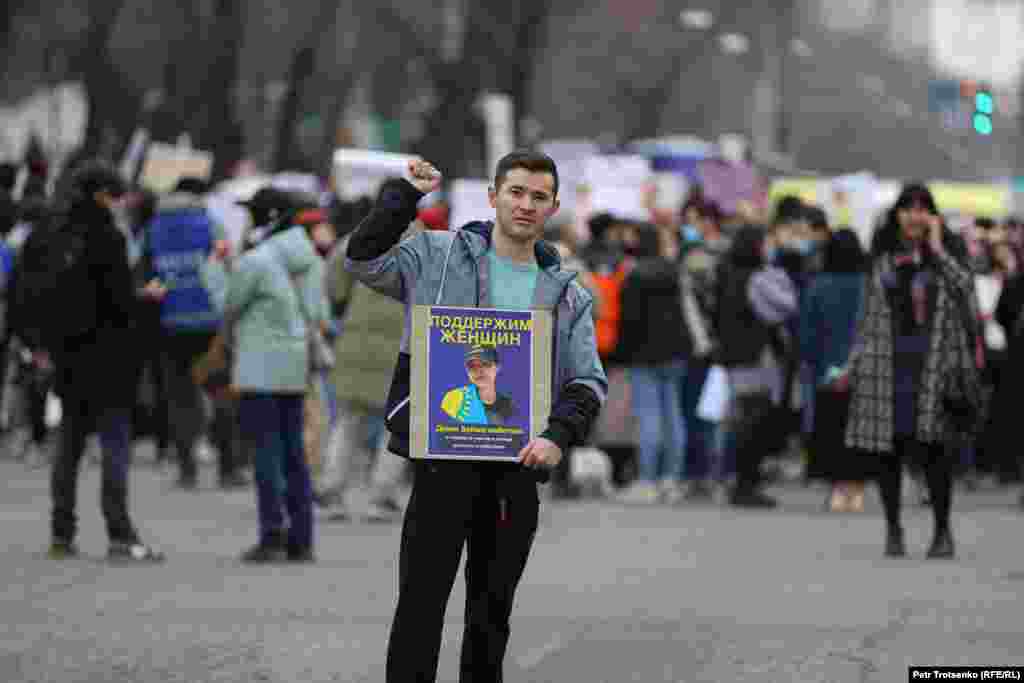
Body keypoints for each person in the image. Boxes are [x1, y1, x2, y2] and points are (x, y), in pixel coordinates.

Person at [345, 151, 606, 682]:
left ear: (553, 207)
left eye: (538, 197)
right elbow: (363, 260)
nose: (526, 205)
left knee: (491, 615)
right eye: (515, 192)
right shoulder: (437, 256)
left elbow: (587, 380)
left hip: (516, 469)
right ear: (493, 196)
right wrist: (403, 196)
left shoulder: (569, 294)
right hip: (444, 462)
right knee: (420, 605)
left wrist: (558, 436)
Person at [19, 160, 164, 562]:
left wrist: (40, 342)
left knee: (69, 445)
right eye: (115, 196)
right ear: (101, 195)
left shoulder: (47, 234)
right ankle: (120, 532)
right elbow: (117, 300)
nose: (119, 203)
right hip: (109, 356)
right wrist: (143, 297)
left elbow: (27, 292)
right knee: (115, 443)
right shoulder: (106, 237)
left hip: (67, 357)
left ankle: (61, 534)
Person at [846, 183, 982, 559]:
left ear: (933, 217)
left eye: (923, 209)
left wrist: (937, 251)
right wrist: (852, 363)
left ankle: (942, 531)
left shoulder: (947, 256)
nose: (915, 215)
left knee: (936, 452)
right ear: (897, 215)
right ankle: (893, 528)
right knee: (887, 452)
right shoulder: (883, 257)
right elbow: (867, 316)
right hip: (888, 366)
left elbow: (966, 289)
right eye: (908, 208)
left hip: (935, 367)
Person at [202, 202, 324, 563]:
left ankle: (271, 535)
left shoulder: (257, 260)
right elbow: (317, 313)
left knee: (266, 454)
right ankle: (301, 539)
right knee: (294, 454)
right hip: (295, 367)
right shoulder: (310, 261)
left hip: (259, 370)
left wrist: (213, 269)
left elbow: (228, 304)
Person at [138, 177, 246, 489]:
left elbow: (144, 272)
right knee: (220, 392)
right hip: (209, 324)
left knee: (180, 398)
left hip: (170, 325)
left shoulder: (152, 229)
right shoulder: (211, 225)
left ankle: (187, 470)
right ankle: (228, 468)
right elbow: (229, 267)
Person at [713, 225, 799, 508]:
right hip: (755, 356)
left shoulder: (726, 275)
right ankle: (746, 484)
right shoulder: (758, 279)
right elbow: (784, 307)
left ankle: (739, 481)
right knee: (753, 421)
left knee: (741, 420)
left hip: (734, 356)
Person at [799, 228, 867, 512]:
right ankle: (858, 489)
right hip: (864, 370)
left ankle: (839, 490)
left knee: (833, 429)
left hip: (828, 370)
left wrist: (813, 363)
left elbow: (807, 332)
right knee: (861, 432)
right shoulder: (870, 285)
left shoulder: (818, 286)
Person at [441, 345, 517, 425]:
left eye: (485, 364)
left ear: (497, 367)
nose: (478, 370)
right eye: (472, 366)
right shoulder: (455, 400)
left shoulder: (508, 406)